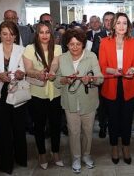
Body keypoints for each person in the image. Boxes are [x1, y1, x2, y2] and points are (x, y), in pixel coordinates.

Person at [55, 28, 103, 173]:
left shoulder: (91, 56)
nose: (75, 47)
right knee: (74, 131)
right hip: (69, 102)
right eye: (71, 44)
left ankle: (86, 155)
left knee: (88, 131)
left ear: (83, 44)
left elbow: (100, 78)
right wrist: (64, 80)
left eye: (78, 44)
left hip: (88, 101)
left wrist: (91, 79)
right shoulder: (62, 58)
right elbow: (56, 82)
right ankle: (76, 157)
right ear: (67, 45)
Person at [0, 21, 28, 174]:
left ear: (16, 36)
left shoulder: (22, 49)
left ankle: (21, 159)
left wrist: (20, 74)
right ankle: (5, 164)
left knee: (18, 128)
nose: (8, 37)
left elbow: (24, 70)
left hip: (16, 92)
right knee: (3, 131)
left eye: (11, 34)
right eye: (4, 34)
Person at [99, 12, 134, 165]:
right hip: (111, 85)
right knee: (113, 120)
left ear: (128, 26)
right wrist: (113, 71)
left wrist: (132, 71)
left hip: (129, 86)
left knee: (127, 120)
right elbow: (102, 66)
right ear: (113, 25)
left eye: (124, 23)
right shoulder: (104, 42)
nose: (121, 26)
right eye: (118, 23)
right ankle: (114, 147)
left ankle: (126, 146)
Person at [23, 21, 63, 170]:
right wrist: (38, 73)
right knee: (39, 126)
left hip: (55, 93)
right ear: (37, 34)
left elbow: (55, 63)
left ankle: (56, 152)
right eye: (42, 32)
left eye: (47, 32)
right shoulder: (29, 49)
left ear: (51, 34)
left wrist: (51, 72)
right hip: (37, 94)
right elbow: (28, 69)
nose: (45, 35)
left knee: (55, 125)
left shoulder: (57, 48)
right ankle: (41, 153)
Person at [91, 11, 115, 138]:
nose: (109, 22)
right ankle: (102, 126)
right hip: (103, 74)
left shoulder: (120, 35)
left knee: (114, 104)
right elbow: (93, 54)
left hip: (116, 75)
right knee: (102, 103)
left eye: (111, 19)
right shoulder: (98, 36)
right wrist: (101, 45)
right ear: (103, 22)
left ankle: (113, 126)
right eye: (106, 20)